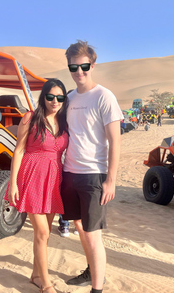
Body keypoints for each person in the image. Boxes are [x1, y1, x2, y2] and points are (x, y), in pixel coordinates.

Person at [61, 40, 122, 293]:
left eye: (84, 66)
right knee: (77, 225)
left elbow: (115, 141)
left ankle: (97, 288)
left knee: (93, 234)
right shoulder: (69, 98)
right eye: (73, 67)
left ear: (92, 65)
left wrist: (111, 180)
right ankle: (90, 271)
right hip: (69, 173)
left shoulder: (104, 96)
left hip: (94, 176)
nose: (79, 72)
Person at [6, 79, 69, 293]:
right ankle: (47, 284)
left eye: (60, 97)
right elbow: (19, 150)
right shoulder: (30, 118)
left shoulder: (64, 121)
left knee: (45, 233)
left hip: (54, 180)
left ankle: (35, 275)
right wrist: (13, 183)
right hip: (32, 176)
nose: (55, 101)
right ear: (43, 97)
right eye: (50, 96)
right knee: (42, 232)